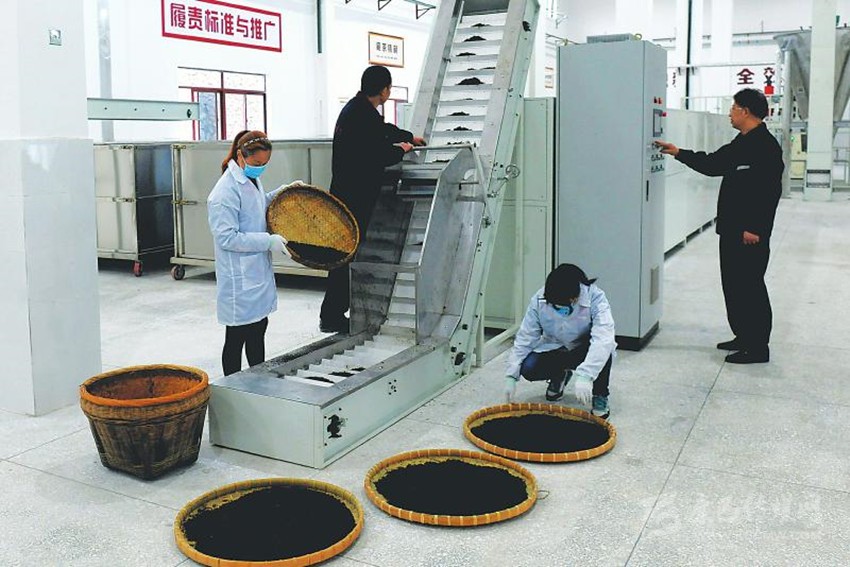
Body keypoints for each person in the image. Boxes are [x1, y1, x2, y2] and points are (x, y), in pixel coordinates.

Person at [655, 88, 783, 364]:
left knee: (750, 287)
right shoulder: (743, 141)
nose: (729, 113)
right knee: (734, 285)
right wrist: (678, 152)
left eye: (733, 108)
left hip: (749, 233)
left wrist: (755, 228)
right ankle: (744, 336)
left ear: (745, 111)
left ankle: (758, 347)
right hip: (732, 229)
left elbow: (769, 192)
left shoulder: (766, 146)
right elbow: (714, 163)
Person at [319, 65, 427, 333]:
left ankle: (333, 312)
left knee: (344, 254)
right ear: (384, 90)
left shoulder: (358, 109)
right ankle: (332, 315)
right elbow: (376, 154)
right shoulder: (362, 115)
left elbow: (381, 131)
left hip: (346, 194)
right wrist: (402, 150)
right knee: (346, 256)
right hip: (353, 198)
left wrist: (408, 137)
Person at [208, 130, 291, 376]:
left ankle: (258, 382)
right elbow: (227, 237)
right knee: (236, 337)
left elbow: (256, 205)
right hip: (239, 279)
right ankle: (232, 386)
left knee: (258, 330)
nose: (260, 168)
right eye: (256, 163)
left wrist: (282, 192)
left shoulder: (249, 179)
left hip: (256, 272)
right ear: (240, 156)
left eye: (265, 163)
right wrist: (268, 241)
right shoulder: (224, 192)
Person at [504, 264, 616, 419]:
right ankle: (560, 374)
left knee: (605, 351)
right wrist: (511, 375)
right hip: (556, 348)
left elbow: (603, 339)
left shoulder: (595, 297)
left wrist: (586, 375)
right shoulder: (540, 299)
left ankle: (600, 395)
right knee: (529, 367)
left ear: (575, 297)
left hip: (583, 349)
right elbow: (526, 336)